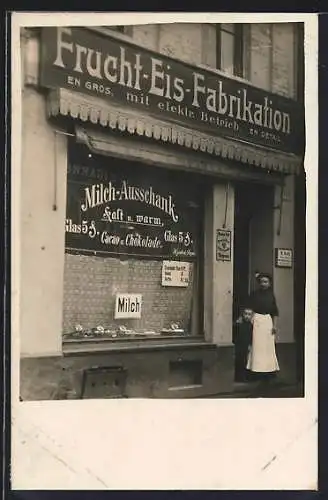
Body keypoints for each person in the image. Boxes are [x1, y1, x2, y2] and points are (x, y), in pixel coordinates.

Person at [245, 272, 280, 384]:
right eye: (262, 282)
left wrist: (274, 326)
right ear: (259, 283)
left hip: (268, 321)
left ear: (269, 283)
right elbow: (249, 309)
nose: (263, 284)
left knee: (267, 347)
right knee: (257, 346)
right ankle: (256, 371)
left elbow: (274, 312)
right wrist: (250, 320)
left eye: (266, 282)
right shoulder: (254, 294)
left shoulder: (271, 295)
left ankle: (268, 371)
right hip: (257, 320)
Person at [233, 307, 254, 382]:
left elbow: (252, 337)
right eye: (246, 314)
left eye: (249, 314)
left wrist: (250, 345)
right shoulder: (239, 325)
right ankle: (238, 377)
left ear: (252, 316)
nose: (247, 316)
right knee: (239, 361)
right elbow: (235, 335)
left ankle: (244, 377)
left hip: (246, 346)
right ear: (243, 314)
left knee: (246, 362)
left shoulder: (252, 326)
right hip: (239, 346)